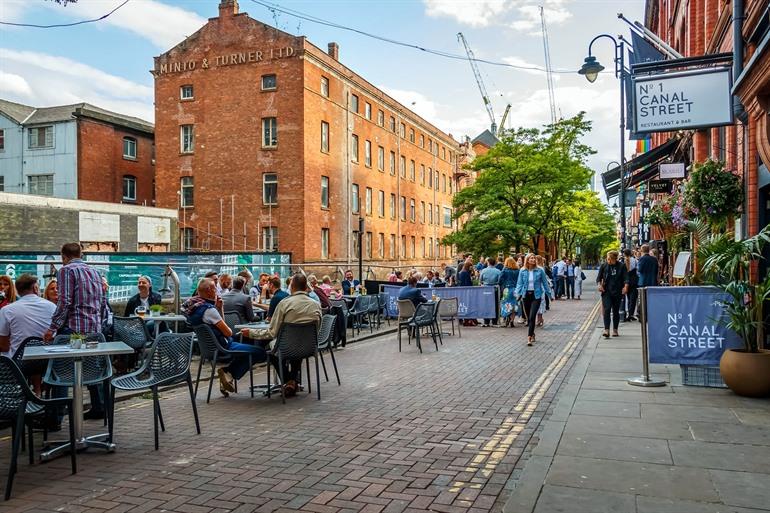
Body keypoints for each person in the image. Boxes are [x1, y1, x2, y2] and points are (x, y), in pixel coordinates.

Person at [44, 243, 108, 420]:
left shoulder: (66, 271)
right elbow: (103, 302)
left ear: (63, 256)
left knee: (60, 370)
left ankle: (55, 416)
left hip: (74, 328)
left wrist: (52, 328)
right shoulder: (95, 272)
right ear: (81, 253)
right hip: (94, 329)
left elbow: (64, 301)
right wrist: (98, 326)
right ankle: (99, 406)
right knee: (92, 367)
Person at [240, 274, 322, 397]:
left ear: (292, 287)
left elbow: (271, 332)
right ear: (306, 287)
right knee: (298, 345)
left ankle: (288, 381)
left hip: (287, 347)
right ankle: (293, 381)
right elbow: (317, 330)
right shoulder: (316, 305)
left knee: (271, 349)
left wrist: (250, 333)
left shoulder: (284, 304)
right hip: (309, 347)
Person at [182, 278, 267, 397]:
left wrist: (220, 308)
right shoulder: (209, 310)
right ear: (209, 291)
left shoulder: (192, 306)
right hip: (223, 345)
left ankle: (229, 375)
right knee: (260, 352)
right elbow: (228, 332)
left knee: (246, 348)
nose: (217, 290)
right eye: (214, 288)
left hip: (207, 348)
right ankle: (229, 372)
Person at [0, 274, 56, 394]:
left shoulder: (7, 310)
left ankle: (16, 396)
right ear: (36, 288)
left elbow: (4, 345)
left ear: (18, 291)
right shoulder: (51, 307)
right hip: (47, 363)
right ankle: (39, 392)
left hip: (17, 364)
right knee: (35, 354)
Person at [515, 254, 553, 346]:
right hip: (525, 295)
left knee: (532, 317)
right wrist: (517, 294)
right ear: (527, 260)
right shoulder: (522, 270)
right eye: (531, 258)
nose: (533, 259)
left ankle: (529, 337)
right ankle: (532, 333)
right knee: (529, 318)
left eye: (534, 258)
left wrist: (550, 295)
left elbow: (544, 283)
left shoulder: (540, 270)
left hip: (536, 296)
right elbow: (519, 283)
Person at [597, 250, 630, 338]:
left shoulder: (621, 266)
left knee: (616, 311)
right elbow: (598, 278)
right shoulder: (604, 266)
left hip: (618, 291)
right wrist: (599, 285)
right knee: (607, 309)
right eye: (607, 259)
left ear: (614, 259)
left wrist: (625, 287)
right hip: (606, 291)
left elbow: (626, 277)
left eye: (609, 259)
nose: (607, 260)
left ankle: (615, 329)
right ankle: (606, 329)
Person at [479, 257, 502, 326]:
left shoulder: (483, 270)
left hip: (485, 290)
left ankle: (486, 321)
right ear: (494, 263)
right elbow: (499, 281)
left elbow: (480, 280)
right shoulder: (498, 271)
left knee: (486, 304)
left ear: (488, 263)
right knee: (495, 305)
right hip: (495, 290)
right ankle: (494, 321)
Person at [499, 257, 520, 327]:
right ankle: (512, 320)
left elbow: (500, 279)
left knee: (505, 303)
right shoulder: (517, 270)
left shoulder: (505, 270)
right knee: (514, 304)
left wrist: (502, 284)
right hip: (515, 289)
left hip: (507, 289)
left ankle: (506, 316)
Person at [622, 248, 639, 322]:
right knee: (633, 298)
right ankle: (631, 314)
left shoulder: (622, 261)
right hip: (634, 280)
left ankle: (627, 314)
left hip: (626, 281)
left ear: (624, 254)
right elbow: (638, 270)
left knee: (627, 298)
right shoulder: (635, 260)